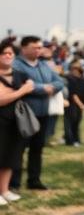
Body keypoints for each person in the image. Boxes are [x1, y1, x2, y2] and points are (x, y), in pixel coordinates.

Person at [11, 35, 64, 191]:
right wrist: (44, 88)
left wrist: (50, 87)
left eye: (40, 47)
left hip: (43, 113)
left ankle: (34, 180)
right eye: (35, 47)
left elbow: (59, 82)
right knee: (18, 149)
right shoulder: (17, 65)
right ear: (24, 48)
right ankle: (14, 182)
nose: (39, 50)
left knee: (37, 148)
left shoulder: (43, 65)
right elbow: (23, 84)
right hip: (25, 114)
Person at [0, 40, 34, 205]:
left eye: (10, 53)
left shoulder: (20, 74)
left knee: (10, 157)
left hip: (16, 122)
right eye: (4, 53)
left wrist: (28, 88)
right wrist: (22, 90)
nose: (7, 56)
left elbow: (30, 88)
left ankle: (5, 190)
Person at [63, 60, 84, 147]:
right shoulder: (69, 79)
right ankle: (70, 140)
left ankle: (75, 139)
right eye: (73, 68)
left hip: (78, 104)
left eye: (76, 68)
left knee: (76, 123)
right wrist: (81, 105)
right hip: (71, 104)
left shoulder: (83, 79)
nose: (74, 70)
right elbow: (73, 95)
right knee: (70, 123)